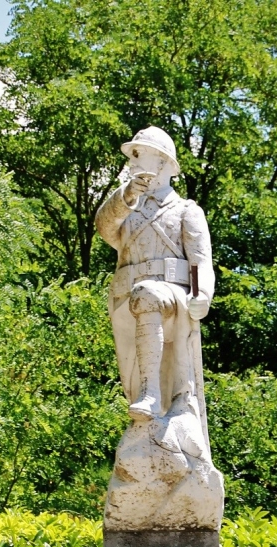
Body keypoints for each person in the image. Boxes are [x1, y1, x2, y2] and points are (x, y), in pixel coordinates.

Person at [96, 126, 215, 456]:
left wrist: (203, 293)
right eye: (132, 157)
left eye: (140, 155)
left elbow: (202, 261)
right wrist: (126, 197)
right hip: (127, 303)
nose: (133, 162)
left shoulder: (186, 211)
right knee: (129, 378)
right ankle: (150, 409)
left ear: (162, 163)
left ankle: (152, 395)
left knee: (148, 292)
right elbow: (104, 227)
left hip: (173, 300)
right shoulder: (126, 208)